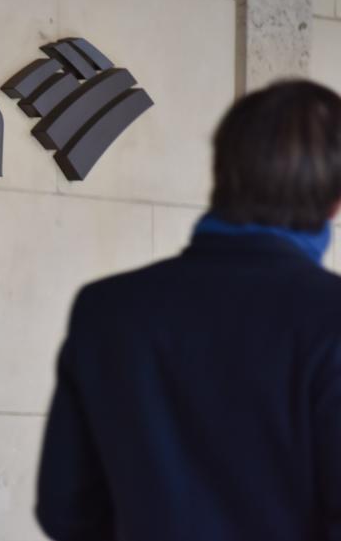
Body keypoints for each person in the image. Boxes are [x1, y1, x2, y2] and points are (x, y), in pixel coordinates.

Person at [36, 80, 341, 541]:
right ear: (335, 199)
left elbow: (67, 511)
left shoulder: (107, 310)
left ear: (221, 172)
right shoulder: (329, 318)